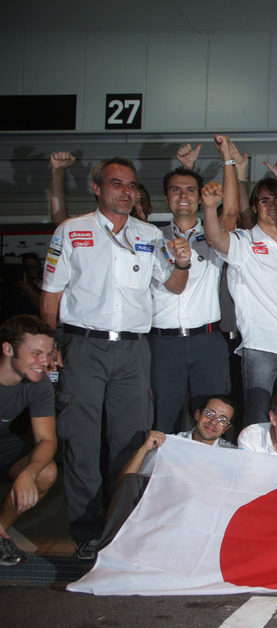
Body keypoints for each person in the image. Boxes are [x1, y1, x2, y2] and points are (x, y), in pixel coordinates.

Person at [40, 156, 192, 559]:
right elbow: (51, 296)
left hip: (133, 350)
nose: (125, 191)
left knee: (131, 442)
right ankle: (87, 533)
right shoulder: (71, 232)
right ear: (97, 188)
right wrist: (53, 345)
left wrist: (182, 262)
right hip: (82, 347)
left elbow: (175, 286)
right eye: (116, 184)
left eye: (130, 185)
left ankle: (123, 528)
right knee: (82, 443)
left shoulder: (149, 234)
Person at [202, 135, 277, 427]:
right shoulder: (244, 243)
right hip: (260, 348)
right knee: (258, 420)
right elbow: (214, 237)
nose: (272, 206)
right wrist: (211, 208)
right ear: (256, 206)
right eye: (264, 200)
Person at [95, 395, 238, 552]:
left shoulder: (231, 455)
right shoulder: (169, 444)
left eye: (222, 420)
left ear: (227, 429)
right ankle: (108, 552)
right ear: (197, 414)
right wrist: (144, 449)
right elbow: (126, 482)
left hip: (202, 520)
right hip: (164, 513)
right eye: (210, 414)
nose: (213, 422)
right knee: (132, 482)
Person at [149, 164, 231, 434]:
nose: (183, 195)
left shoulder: (213, 236)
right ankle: (159, 476)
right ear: (165, 197)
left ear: (199, 198)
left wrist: (229, 161)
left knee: (213, 420)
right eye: (175, 190)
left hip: (206, 342)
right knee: (162, 419)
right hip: (163, 344)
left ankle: (209, 476)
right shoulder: (150, 237)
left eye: (190, 190)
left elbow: (230, 212)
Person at [0, 316, 58, 565]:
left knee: (45, 472)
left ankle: (0, 530)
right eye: (36, 354)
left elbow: (46, 439)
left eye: (48, 353)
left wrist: (28, 473)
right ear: (8, 349)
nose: (44, 362)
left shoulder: (39, 382)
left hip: (4, 443)